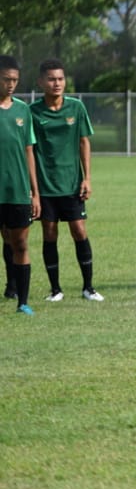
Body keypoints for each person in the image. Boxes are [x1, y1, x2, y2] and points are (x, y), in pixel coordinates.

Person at [30, 59, 102, 302]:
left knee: (79, 230)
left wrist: (87, 179)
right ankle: (56, 290)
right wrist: (33, 190)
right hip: (45, 185)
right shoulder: (33, 112)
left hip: (72, 184)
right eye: (51, 79)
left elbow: (84, 142)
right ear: (41, 82)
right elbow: (28, 149)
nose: (57, 83)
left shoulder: (76, 108)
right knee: (49, 234)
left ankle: (88, 288)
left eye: (60, 79)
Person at [0, 55, 41, 315]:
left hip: (17, 191)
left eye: (15, 80)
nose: (11, 84)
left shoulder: (23, 111)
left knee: (20, 244)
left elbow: (29, 151)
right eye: (6, 80)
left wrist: (35, 193)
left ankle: (22, 302)